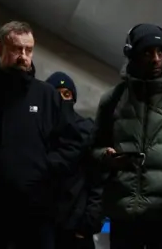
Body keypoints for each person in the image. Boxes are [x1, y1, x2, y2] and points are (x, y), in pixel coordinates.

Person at [91, 23, 162, 249]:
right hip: (123, 214)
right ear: (132, 56)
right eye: (147, 52)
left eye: (160, 52)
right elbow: (93, 148)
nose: (156, 58)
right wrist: (106, 156)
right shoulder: (112, 100)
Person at [0, 21, 83, 249]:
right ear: (0, 50)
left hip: (36, 213)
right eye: (17, 49)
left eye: (28, 50)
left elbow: (73, 145)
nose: (23, 56)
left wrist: (43, 167)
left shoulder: (47, 97)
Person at [46, 72, 104, 249]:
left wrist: (88, 225)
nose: (62, 99)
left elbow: (99, 182)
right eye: (57, 94)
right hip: (45, 226)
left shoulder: (88, 132)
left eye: (67, 94)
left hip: (76, 229)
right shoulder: (39, 130)